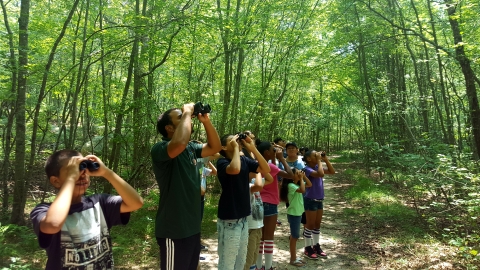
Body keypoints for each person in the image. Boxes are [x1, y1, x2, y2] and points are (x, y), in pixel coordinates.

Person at [30, 150, 144, 269]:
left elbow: (136, 203)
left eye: (83, 168)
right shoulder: (43, 210)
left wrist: (107, 172)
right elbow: (53, 224)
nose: (82, 174)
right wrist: (71, 179)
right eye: (72, 170)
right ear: (55, 181)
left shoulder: (100, 203)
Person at [151, 103, 221, 270]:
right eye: (180, 117)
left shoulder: (190, 148)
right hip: (173, 230)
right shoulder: (160, 149)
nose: (186, 117)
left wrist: (206, 122)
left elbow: (215, 147)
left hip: (192, 227)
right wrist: (188, 112)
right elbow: (179, 144)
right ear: (169, 128)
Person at [216, 133, 271, 270]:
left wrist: (252, 149)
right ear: (223, 147)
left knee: (240, 261)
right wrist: (236, 148)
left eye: (237, 141)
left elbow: (266, 169)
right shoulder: (222, 162)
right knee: (227, 262)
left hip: (244, 218)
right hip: (229, 218)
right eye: (231, 141)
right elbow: (234, 169)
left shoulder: (244, 160)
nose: (236, 142)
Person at [256, 141, 294, 270]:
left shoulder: (256, 164)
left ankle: (258, 265)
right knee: (269, 237)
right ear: (266, 152)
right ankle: (268, 266)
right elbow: (290, 175)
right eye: (273, 150)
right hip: (270, 203)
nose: (276, 152)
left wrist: (274, 157)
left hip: (257, 202)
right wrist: (282, 159)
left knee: (260, 236)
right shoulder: (270, 167)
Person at [302, 150, 335, 259]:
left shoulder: (317, 167)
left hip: (319, 200)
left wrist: (325, 159)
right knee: (310, 225)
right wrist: (320, 161)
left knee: (317, 225)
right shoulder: (307, 169)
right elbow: (320, 174)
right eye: (315, 155)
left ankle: (316, 246)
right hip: (310, 200)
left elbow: (332, 171)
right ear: (309, 159)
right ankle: (307, 248)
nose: (318, 156)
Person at [280, 168, 312, 267]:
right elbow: (302, 190)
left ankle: (294, 257)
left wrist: (304, 177)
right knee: (294, 237)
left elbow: (309, 185)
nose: (300, 174)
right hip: (294, 214)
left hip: (298, 213)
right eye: (297, 173)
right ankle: (292, 259)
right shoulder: (291, 185)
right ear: (291, 177)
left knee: (295, 236)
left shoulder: (296, 185)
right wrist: (302, 178)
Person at [244, 172, 273, 270]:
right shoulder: (246, 185)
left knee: (254, 260)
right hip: (250, 229)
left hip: (258, 227)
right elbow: (259, 186)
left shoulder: (253, 182)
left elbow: (270, 179)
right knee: (248, 260)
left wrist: (260, 169)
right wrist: (258, 171)